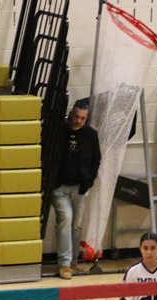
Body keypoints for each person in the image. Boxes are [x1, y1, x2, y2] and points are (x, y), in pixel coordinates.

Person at [52, 100, 101, 280]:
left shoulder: (90, 134)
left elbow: (96, 159)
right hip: (59, 187)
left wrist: (89, 181)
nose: (78, 121)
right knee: (65, 219)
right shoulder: (59, 130)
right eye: (76, 116)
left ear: (86, 118)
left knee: (76, 225)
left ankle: (73, 261)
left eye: (83, 118)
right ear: (71, 114)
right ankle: (64, 263)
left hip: (79, 187)